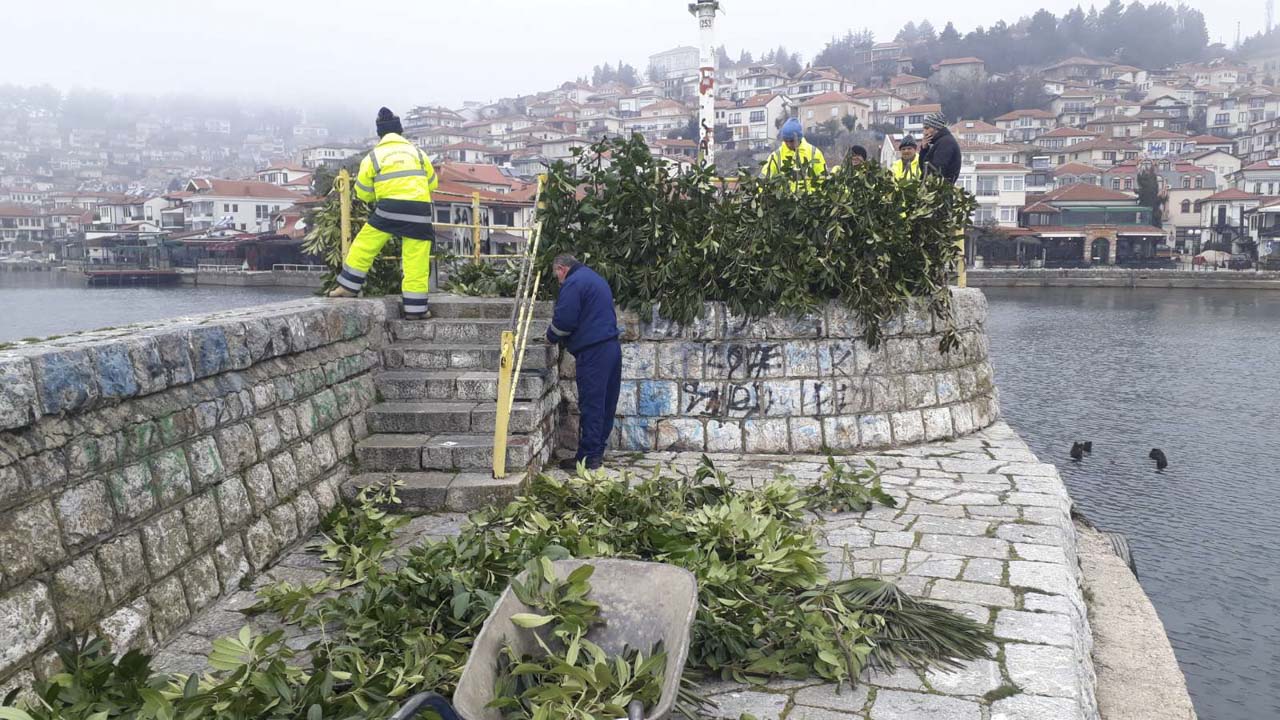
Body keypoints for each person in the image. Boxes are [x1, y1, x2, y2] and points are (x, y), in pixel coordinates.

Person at [328, 107, 438, 319]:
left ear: (380, 134)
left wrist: (378, 195)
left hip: (389, 209)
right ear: (400, 132)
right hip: (419, 211)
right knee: (416, 261)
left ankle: (348, 287)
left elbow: (362, 192)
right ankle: (416, 309)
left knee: (364, 245)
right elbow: (432, 183)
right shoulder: (419, 153)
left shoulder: (373, 157)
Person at [546, 254, 621, 472]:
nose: (559, 281)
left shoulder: (573, 283)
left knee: (592, 405)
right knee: (606, 404)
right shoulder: (595, 278)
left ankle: (588, 459)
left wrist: (550, 337)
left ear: (561, 269)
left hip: (593, 351)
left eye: (557, 276)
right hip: (611, 347)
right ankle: (596, 453)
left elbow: (564, 320)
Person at [763, 118, 826, 189]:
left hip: (808, 196)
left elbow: (822, 180)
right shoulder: (776, 155)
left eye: (791, 141)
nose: (789, 144)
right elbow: (763, 179)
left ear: (799, 138)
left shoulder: (814, 153)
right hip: (784, 196)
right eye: (786, 140)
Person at [920, 112, 962, 184]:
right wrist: (924, 149)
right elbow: (924, 169)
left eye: (927, 128)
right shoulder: (939, 142)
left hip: (941, 189)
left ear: (937, 128)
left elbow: (937, 171)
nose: (924, 132)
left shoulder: (946, 143)